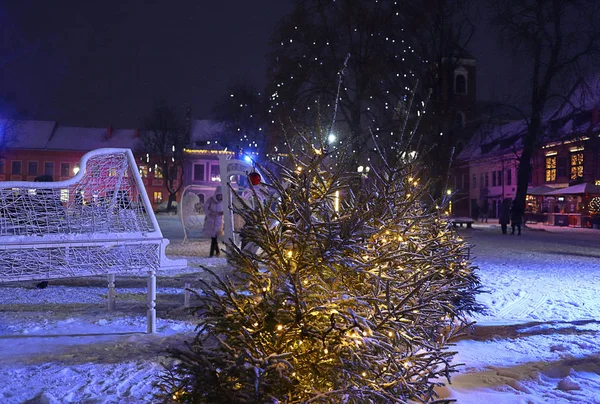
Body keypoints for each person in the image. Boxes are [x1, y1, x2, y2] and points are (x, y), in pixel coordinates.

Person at [202, 186, 224, 257]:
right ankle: (215, 252)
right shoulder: (210, 200)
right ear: (216, 194)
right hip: (211, 222)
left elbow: (226, 210)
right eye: (219, 195)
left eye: (221, 195)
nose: (220, 197)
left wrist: (222, 213)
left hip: (218, 222)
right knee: (214, 238)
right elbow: (205, 208)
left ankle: (213, 253)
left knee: (214, 238)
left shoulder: (223, 202)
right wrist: (210, 213)